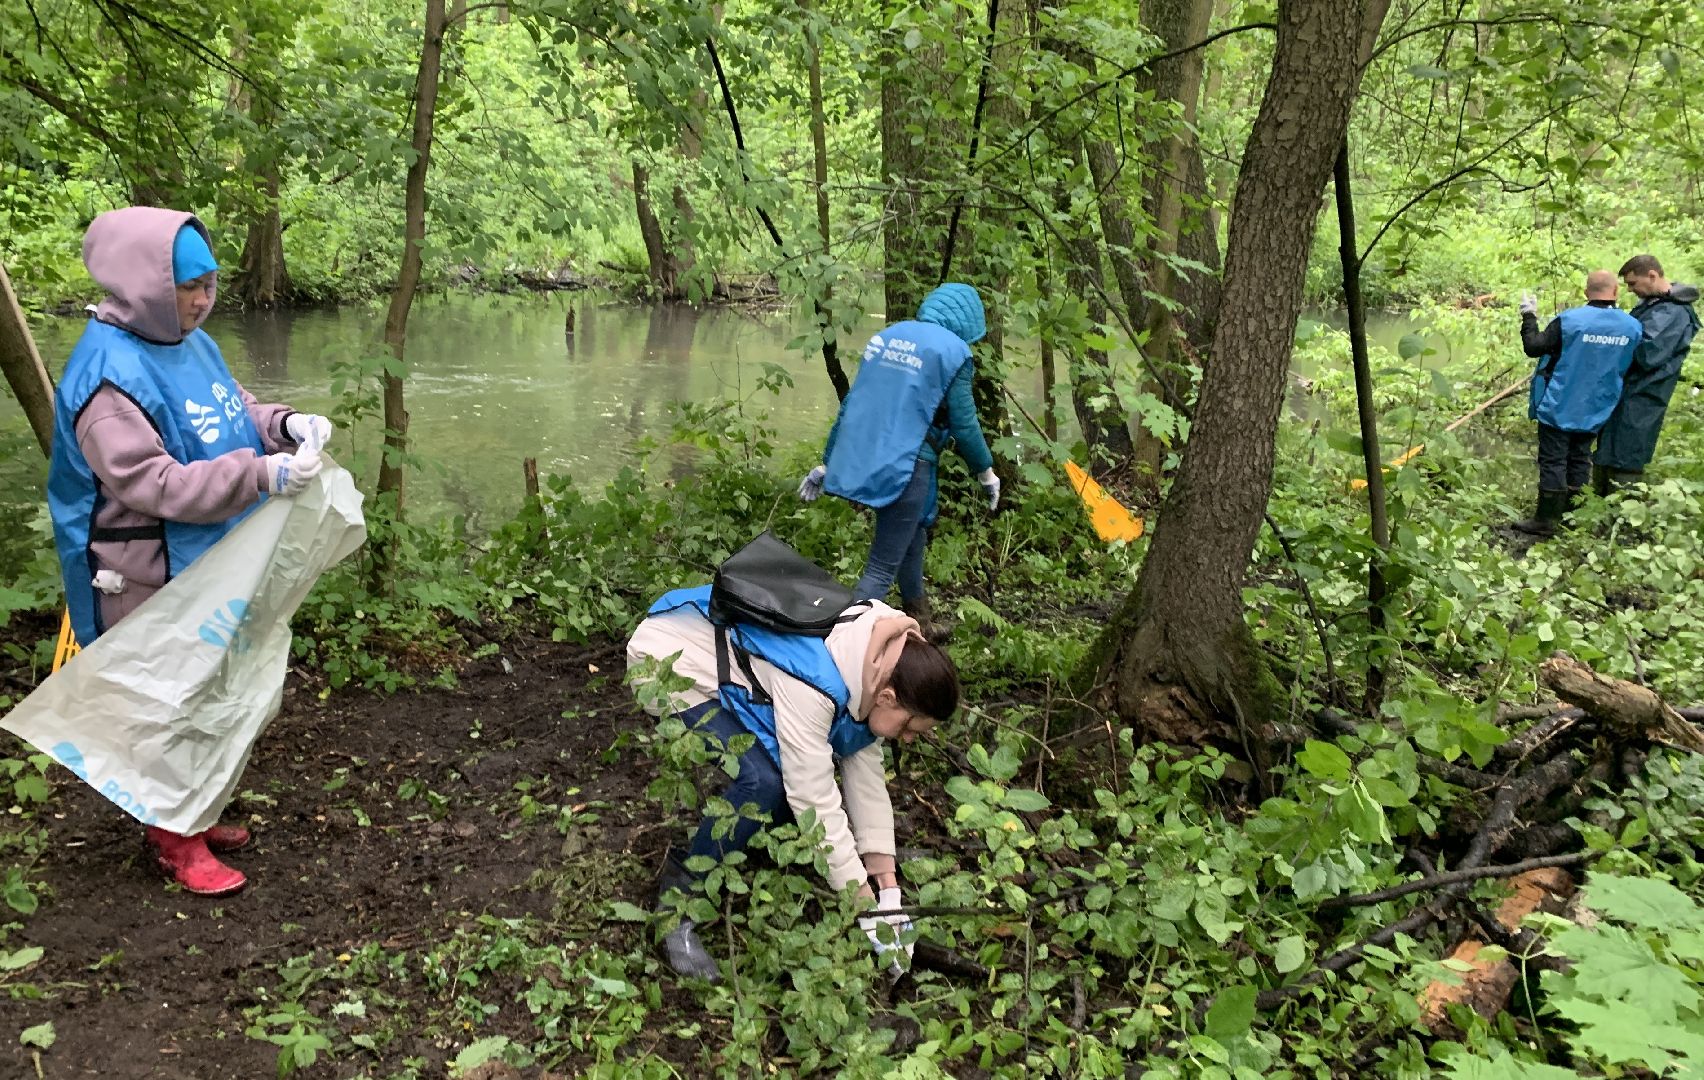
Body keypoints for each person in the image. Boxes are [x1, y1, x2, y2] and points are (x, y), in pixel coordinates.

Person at [47, 207, 334, 897]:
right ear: (142, 284)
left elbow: (228, 410)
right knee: (162, 696)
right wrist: (260, 475)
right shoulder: (107, 379)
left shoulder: (186, 341)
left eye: (210, 282)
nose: (203, 299)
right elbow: (155, 485)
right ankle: (174, 839)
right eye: (187, 286)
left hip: (203, 551)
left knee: (207, 685)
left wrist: (282, 425)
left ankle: (194, 811)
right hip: (138, 568)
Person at [628, 584, 960, 982]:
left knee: (802, 764)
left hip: (730, 665)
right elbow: (814, 797)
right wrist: (865, 905)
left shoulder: (882, 653)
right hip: (670, 660)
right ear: (888, 698)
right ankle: (675, 903)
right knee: (764, 780)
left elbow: (863, 765)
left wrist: (886, 880)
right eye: (909, 727)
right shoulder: (817, 685)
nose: (906, 739)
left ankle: (785, 845)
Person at [797, 283, 1000, 642]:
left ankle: (919, 621)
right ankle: (836, 646)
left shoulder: (889, 337)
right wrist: (985, 470)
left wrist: (829, 461)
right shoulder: (954, 352)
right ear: (968, 322)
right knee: (880, 567)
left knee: (913, 536)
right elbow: (965, 423)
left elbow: (854, 406)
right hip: (910, 465)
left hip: (876, 459)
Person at [1513, 270, 1642, 536]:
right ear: (1616, 292)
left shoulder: (1571, 320)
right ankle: (1572, 518)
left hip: (1560, 403)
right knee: (1580, 459)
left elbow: (1534, 347)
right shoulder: (1632, 327)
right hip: (1598, 408)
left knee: (1553, 461)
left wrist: (1529, 316)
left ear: (1586, 292)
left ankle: (1547, 520)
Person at [1591, 254, 1699, 493]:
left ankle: (1623, 520)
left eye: (1633, 284)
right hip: (1627, 391)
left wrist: (1614, 342)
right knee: (1608, 450)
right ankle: (1597, 515)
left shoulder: (1673, 312)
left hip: (1644, 395)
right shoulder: (1652, 303)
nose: (1630, 290)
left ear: (1652, 276)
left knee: (1628, 454)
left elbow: (1648, 353)